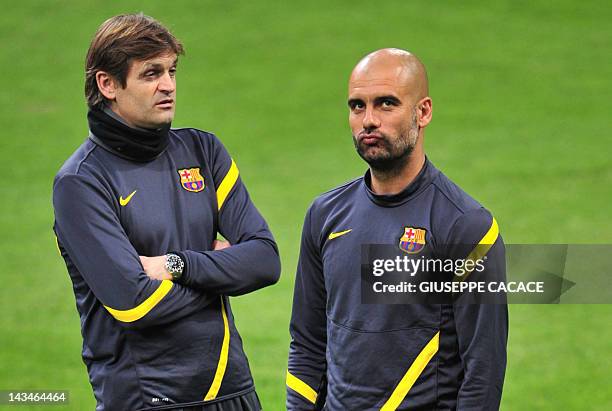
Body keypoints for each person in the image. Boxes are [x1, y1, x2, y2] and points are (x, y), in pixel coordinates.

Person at [53, 13, 280, 411]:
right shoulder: (80, 183)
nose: (169, 85)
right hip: (148, 401)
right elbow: (134, 304)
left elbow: (265, 260)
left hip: (234, 391)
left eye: (172, 71)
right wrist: (221, 269)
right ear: (107, 84)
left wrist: (178, 265)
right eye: (151, 73)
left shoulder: (203, 152)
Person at [286, 48, 508, 410]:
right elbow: (307, 342)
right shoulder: (325, 215)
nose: (368, 120)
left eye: (386, 103)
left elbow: (483, 372)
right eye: (357, 106)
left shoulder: (466, 226)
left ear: (423, 112)